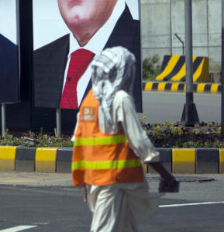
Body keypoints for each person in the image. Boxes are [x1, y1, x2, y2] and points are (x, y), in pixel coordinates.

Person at [72, 47, 178, 232]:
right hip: (114, 180)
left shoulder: (90, 99)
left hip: (97, 180)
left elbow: (80, 142)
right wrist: (166, 175)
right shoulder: (120, 99)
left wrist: (85, 182)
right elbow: (139, 142)